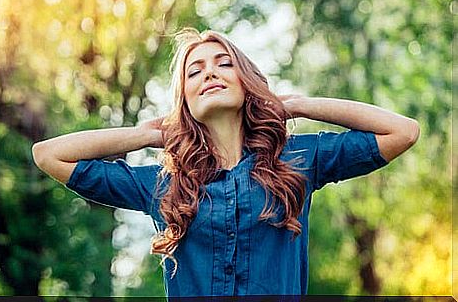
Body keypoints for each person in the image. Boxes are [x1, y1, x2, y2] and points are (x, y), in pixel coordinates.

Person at [32, 28, 420, 297]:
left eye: (223, 63)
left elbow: (401, 132)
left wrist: (296, 105)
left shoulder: (299, 159)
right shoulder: (164, 185)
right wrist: (150, 134)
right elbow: (49, 154)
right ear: (185, 98)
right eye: (194, 71)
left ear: (245, 80)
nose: (210, 73)